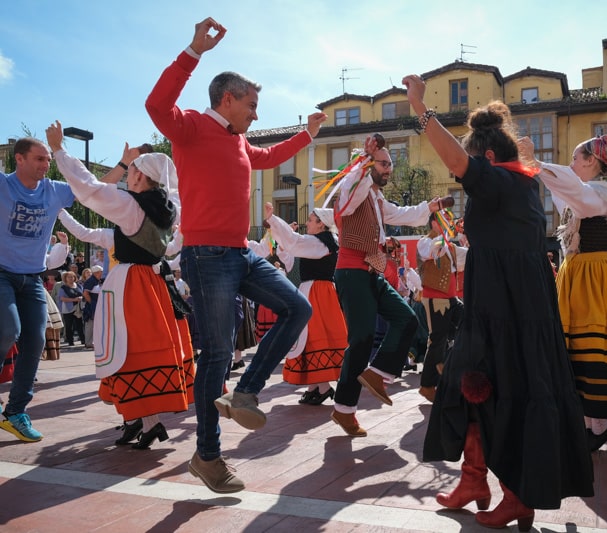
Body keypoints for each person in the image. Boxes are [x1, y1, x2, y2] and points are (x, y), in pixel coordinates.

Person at [403, 75, 593, 530]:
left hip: (508, 312)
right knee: (470, 388)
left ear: (486, 159)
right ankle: (474, 480)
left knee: (507, 392)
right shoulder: (522, 184)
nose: (461, 171)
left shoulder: (502, 184)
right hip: (500, 307)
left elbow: (452, 155)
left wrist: (420, 108)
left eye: (471, 162)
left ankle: (517, 496)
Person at [146, 17, 326, 494]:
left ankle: (247, 392)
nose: (255, 114)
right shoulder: (189, 128)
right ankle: (208, 455)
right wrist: (192, 52)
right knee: (218, 355)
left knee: (297, 307)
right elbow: (155, 104)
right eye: (251, 104)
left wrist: (307, 135)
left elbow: (266, 156)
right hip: (206, 257)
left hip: (240, 253)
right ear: (227, 98)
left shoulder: (239, 141)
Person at [47, 121, 194, 450]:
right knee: (136, 351)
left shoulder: (132, 207)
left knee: (125, 351)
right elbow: (172, 248)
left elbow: (90, 189)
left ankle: (146, 421)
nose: (128, 179)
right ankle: (140, 421)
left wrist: (59, 150)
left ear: (141, 177)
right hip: (154, 284)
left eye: (132, 174)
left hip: (129, 286)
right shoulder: (168, 214)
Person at [526, 134, 607, 454]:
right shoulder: (586, 194)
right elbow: (563, 192)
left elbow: (570, 190)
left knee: (594, 349)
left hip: (594, 278)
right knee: (578, 352)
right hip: (579, 275)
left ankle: (597, 426)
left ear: (592, 162)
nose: (570, 164)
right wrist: (534, 168)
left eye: (575, 158)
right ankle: (592, 426)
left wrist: (536, 163)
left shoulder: (601, 193)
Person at [328, 133, 441, 437]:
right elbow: (350, 195)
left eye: (391, 164)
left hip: (372, 271)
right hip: (351, 271)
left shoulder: (376, 199)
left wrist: (428, 207)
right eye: (384, 163)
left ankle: (377, 374)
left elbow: (401, 214)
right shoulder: (350, 190)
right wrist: (364, 162)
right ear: (366, 164)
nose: (389, 169)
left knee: (406, 319)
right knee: (362, 338)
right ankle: (344, 409)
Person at [0, 136, 74, 442]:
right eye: (39, 159)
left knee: (35, 340)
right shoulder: (3, 186)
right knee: (8, 330)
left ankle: (15, 412)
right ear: (19, 159)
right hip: (1, 274)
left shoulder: (53, 191)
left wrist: (123, 165)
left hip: (32, 278)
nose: (46, 165)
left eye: (48, 160)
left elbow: (94, 188)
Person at [261, 202, 347, 405]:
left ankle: (323, 387)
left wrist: (273, 220)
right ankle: (315, 386)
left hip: (317, 293)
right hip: (316, 292)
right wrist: (282, 238)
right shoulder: (321, 242)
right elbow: (290, 256)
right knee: (310, 337)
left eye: (310, 220)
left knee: (316, 335)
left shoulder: (321, 243)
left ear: (321, 225)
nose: (306, 223)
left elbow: (294, 242)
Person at [416, 211, 467, 402]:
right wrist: (446, 235)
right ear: (434, 223)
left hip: (451, 299)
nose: (449, 224)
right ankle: (427, 385)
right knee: (437, 339)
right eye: (445, 221)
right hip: (435, 299)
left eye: (449, 221)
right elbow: (434, 250)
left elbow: (470, 257)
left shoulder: (451, 248)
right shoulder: (425, 242)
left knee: (468, 322)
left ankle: (446, 362)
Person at [58, 271, 85, 347]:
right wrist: (74, 300)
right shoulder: (63, 288)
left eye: (72, 277)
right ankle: (70, 341)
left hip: (78, 308)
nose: (71, 278)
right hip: (68, 308)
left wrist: (81, 298)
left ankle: (83, 340)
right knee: (69, 325)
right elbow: (62, 298)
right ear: (65, 278)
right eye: (69, 277)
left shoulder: (79, 286)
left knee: (79, 324)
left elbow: (83, 294)